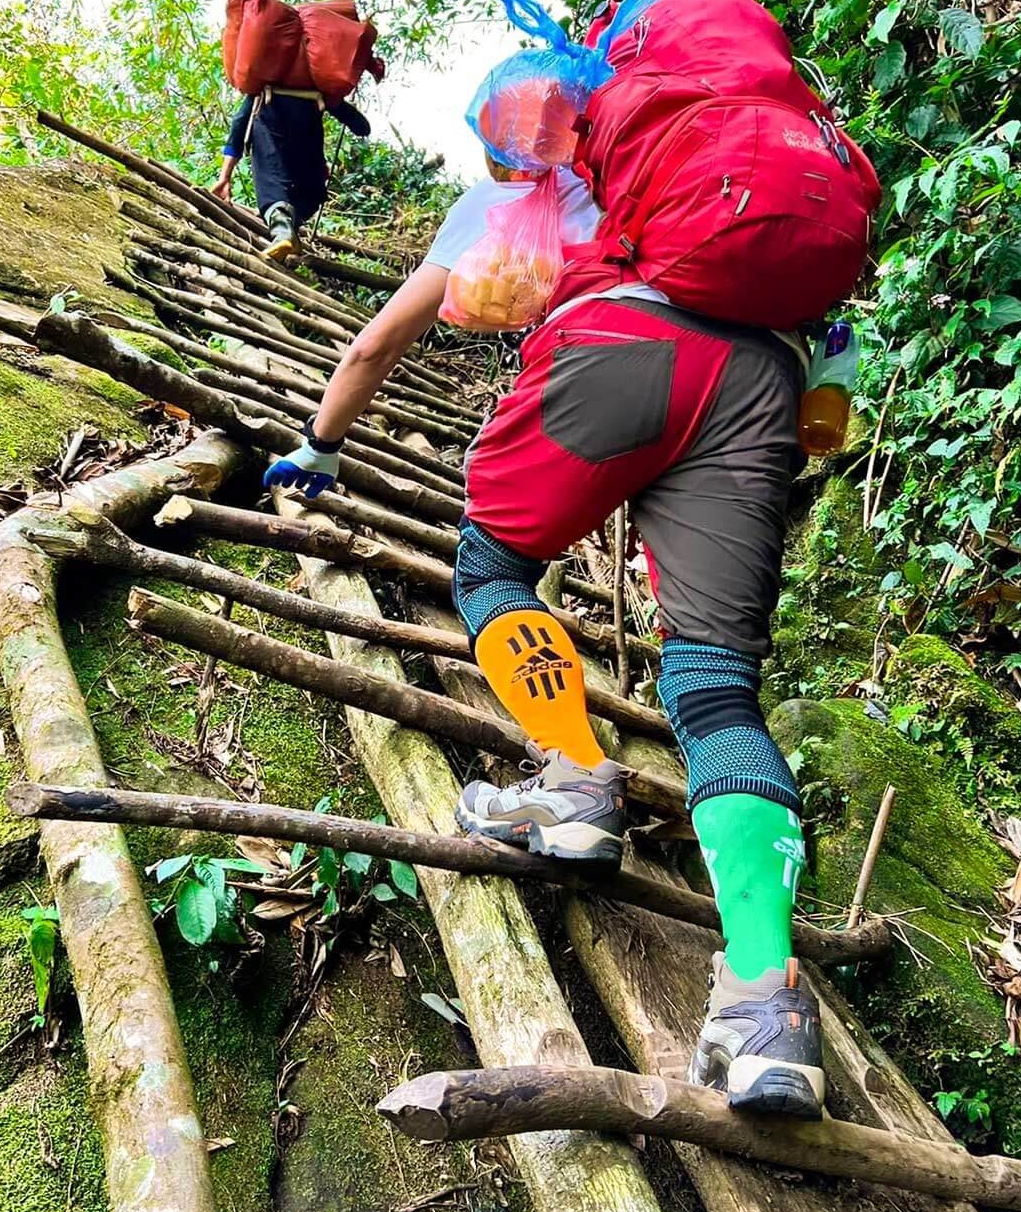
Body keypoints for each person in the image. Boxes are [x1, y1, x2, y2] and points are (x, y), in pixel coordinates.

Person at [264, 127, 825, 1125]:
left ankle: (570, 777)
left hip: (616, 350)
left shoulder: (506, 208)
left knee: (492, 568)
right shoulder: (697, 192)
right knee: (713, 685)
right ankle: (764, 1000)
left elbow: (374, 341)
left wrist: (317, 445)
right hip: (761, 379)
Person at [212, 90, 371, 262]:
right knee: (306, 196)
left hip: (271, 141)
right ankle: (290, 234)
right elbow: (361, 127)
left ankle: (283, 233)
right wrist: (352, 116)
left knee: (272, 188)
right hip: (309, 161)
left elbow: (239, 127)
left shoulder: (262, 87)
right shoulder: (317, 88)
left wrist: (225, 177)